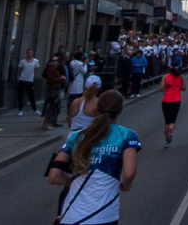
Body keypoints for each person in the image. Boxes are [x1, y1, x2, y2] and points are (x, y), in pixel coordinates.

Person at [47, 91, 139, 225]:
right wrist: (126, 184)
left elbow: (53, 176)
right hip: (103, 214)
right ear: (121, 110)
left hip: (71, 215)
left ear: (97, 109)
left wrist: (73, 181)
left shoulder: (76, 136)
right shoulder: (126, 135)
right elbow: (129, 172)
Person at [159, 58, 185, 147]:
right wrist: (177, 87)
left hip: (166, 101)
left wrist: (168, 87)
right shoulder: (180, 77)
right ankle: (170, 130)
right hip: (176, 100)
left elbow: (161, 89)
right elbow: (184, 88)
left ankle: (167, 141)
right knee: (173, 120)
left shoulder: (165, 77)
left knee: (167, 120)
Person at [43, 55, 65, 129]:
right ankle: (46, 124)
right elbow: (51, 79)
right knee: (49, 107)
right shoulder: (50, 69)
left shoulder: (55, 69)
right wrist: (60, 78)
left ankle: (49, 123)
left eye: (56, 60)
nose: (55, 62)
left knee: (53, 107)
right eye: (53, 60)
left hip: (55, 90)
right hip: (52, 90)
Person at [17, 48, 40, 116]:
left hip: (30, 81)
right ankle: (20, 110)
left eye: (31, 53)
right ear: (27, 54)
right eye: (28, 53)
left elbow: (36, 70)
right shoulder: (22, 62)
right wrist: (22, 76)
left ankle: (35, 109)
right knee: (20, 96)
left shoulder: (35, 61)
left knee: (31, 96)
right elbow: (20, 70)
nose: (29, 54)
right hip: (22, 80)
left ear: (32, 54)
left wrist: (32, 77)